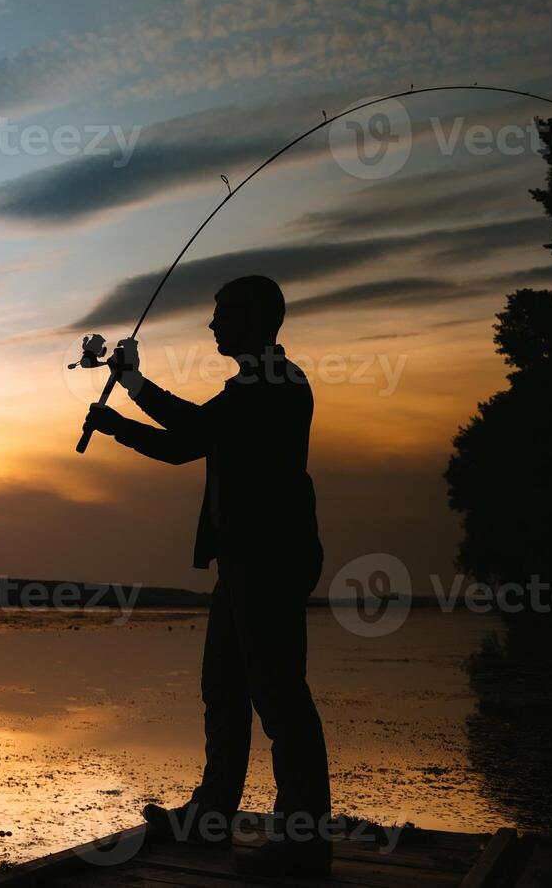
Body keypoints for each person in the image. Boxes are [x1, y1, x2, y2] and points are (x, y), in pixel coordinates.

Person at [82, 274, 333, 878]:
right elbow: (185, 445)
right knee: (223, 690)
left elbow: (193, 433)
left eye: (223, 315)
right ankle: (210, 820)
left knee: (279, 698)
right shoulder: (254, 385)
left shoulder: (276, 384)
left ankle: (304, 839)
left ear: (253, 319)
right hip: (243, 562)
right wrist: (120, 422)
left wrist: (133, 386)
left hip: (269, 563)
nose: (213, 325)